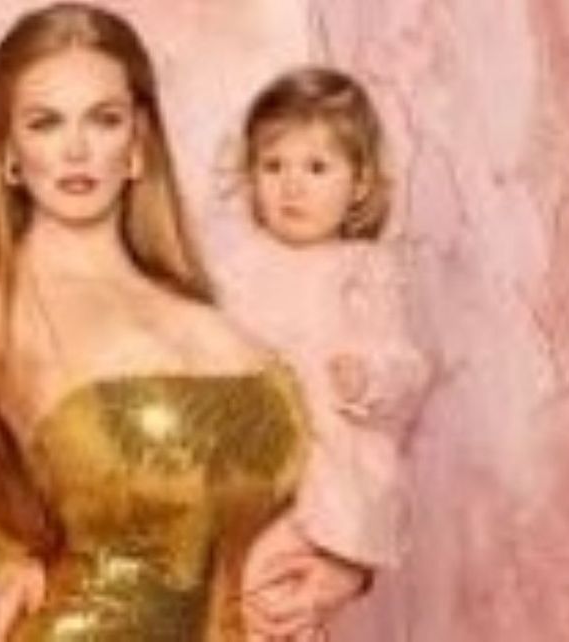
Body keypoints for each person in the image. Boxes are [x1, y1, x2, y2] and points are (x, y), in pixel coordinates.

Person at [0, 4, 323, 640]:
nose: (76, 149)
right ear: (10, 153)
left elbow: (321, 479)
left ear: (138, 145)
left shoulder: (205, 306)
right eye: (45, 123)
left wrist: (338, 571)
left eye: (104, 120)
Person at [220, 66, 432, 640]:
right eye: (273, 167)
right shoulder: (239, 265)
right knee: (240, 592)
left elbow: (407, 368)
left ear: (359, 183)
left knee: (275, 593)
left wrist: (367, 377)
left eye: (316, 168)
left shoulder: (363, 270)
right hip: (249, 466)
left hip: (328, 473)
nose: (291, 186)